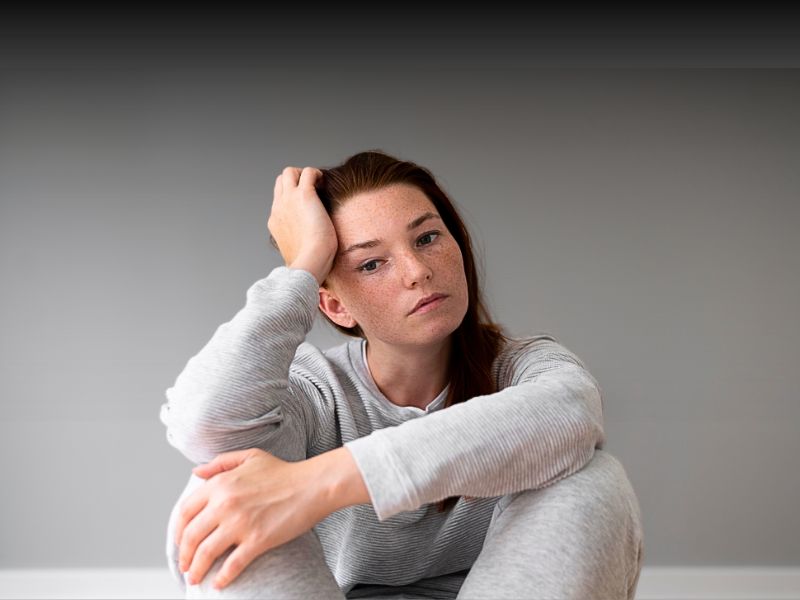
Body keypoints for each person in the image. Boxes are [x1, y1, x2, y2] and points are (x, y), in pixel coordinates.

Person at [159, 150, 645, 599]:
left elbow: (570, 411)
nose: (416, 270)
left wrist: (316, 484)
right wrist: (303, 268)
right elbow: (203, 423)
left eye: (427, 237)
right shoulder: (312, 392)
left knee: (594, 478)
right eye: (371, 263)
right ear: (334, 305)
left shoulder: (524, 368)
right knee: (219, 492)